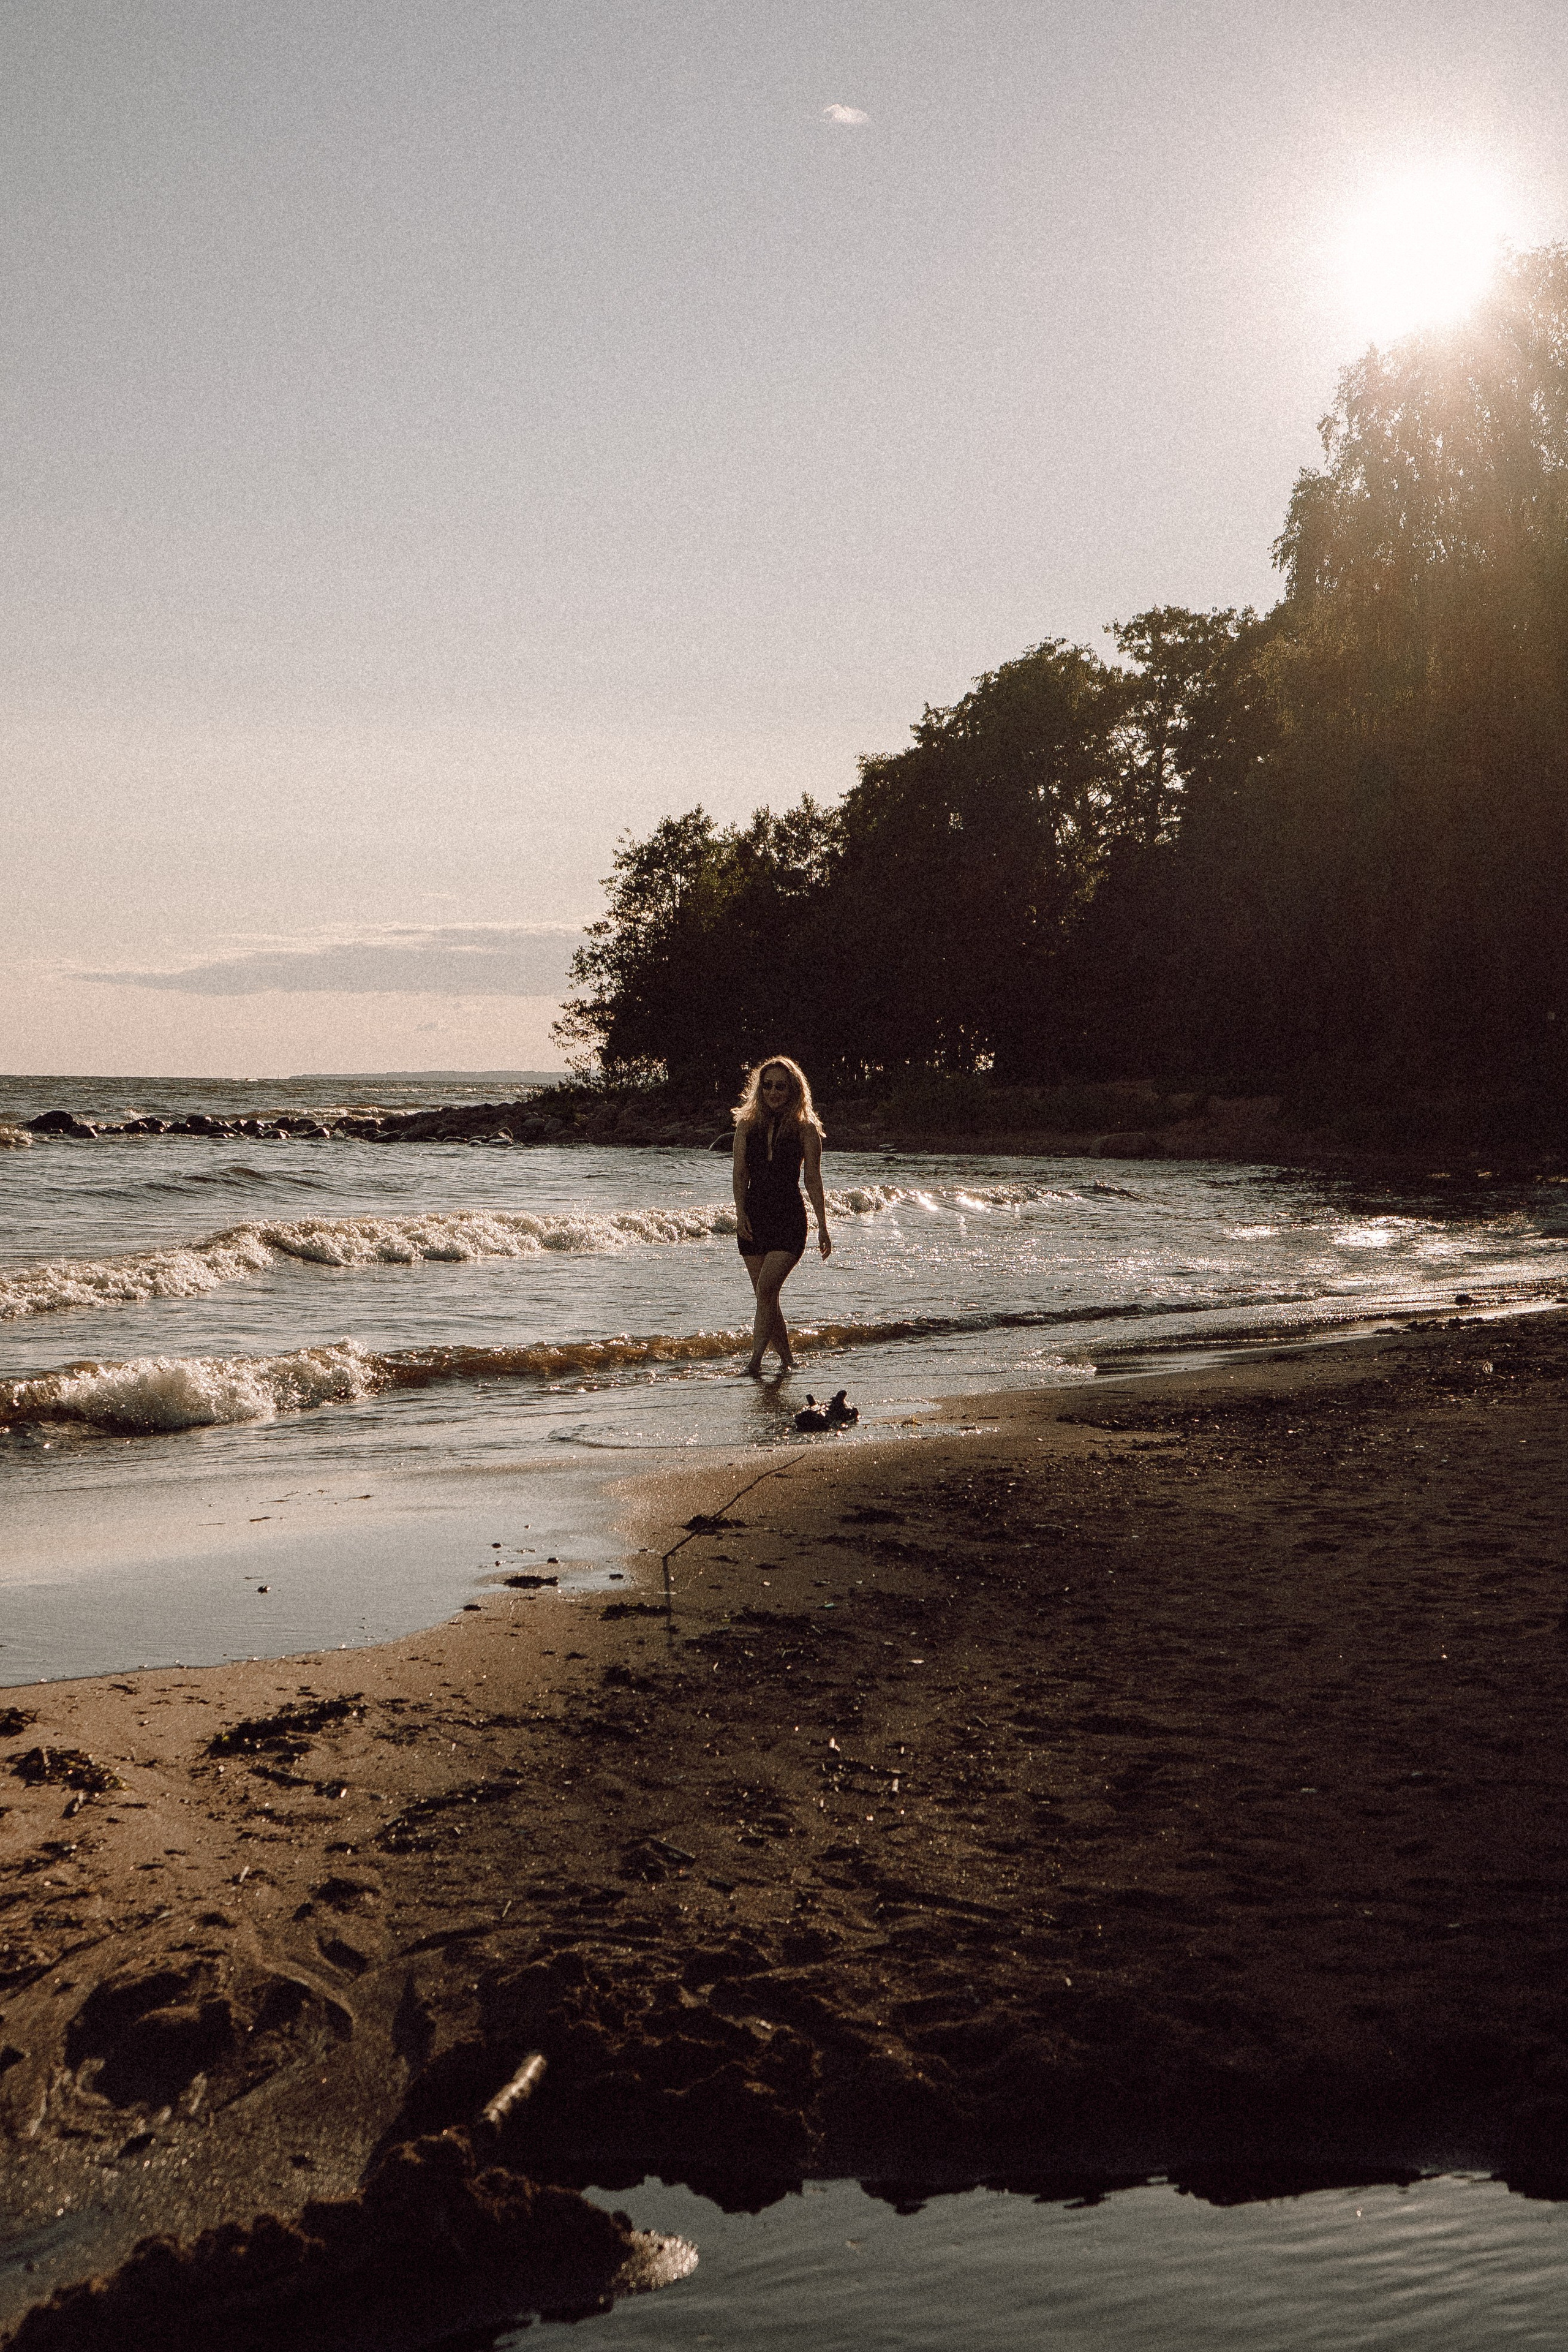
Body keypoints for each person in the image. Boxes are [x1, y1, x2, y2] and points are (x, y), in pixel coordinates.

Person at [732, 1055, 831, 1377]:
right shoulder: (746, 1125)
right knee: (767, 1297)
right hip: (754, 1217)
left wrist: (823, 1226)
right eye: (768, 1085)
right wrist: (740, 1213)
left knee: (765, 1292)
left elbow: (813, 1179)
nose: (773, 1092)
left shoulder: (806, 1129)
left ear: (793, 1090)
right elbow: (740, 1174)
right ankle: (788, 1361)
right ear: (760, 1089)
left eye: (781, 1086)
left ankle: (754, 1363)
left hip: (789, 1218)